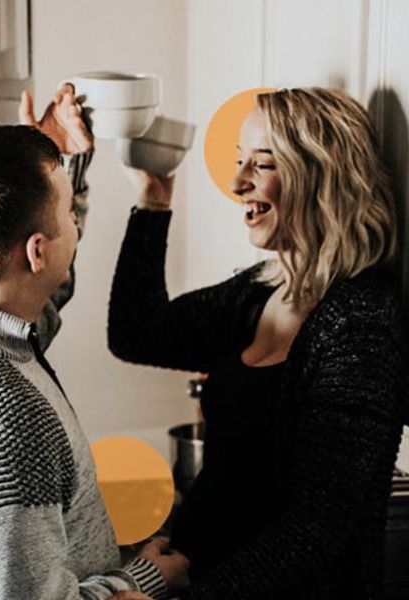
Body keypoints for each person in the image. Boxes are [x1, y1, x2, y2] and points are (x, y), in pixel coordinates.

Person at [0, 84, 189, 600]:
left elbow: (42, 301)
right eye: (70, 212)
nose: (76, 223)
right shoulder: (0, 425)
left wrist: (56, 157)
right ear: (34, 252)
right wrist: (141, 580)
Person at [108, 87, 408, 599]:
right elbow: (137, 333)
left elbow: (319, 531)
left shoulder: (360, 322)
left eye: (261, 164)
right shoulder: (260, 288)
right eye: (239, 161)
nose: (236, 182)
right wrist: (154, 202)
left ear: (319, 174)